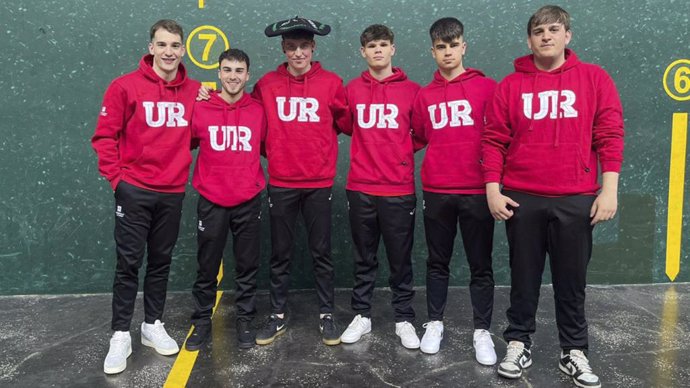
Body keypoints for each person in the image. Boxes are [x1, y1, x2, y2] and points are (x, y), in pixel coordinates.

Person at [482, 6, 624, 387]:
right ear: (529, 40)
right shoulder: (510, 86)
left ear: (567, 35)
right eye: (538, 31)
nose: (546, 36)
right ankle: (518, 343)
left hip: (576, 198)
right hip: (521, 198)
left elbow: (609, 135)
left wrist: (608, 189)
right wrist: (493, 189)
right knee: (523, 277)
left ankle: (573, 351)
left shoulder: (595, 79)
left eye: (554, 29)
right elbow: (494, 140)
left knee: (571, 280)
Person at [92, 19, 200, 374]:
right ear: (151, 47)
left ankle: (152, 324)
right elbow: (104, 137)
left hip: (171, 192)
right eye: (162, 45)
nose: (169, 52)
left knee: (161, 261)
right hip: (134, 190)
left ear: (183, 50)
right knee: (128, 264)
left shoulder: (193, 91)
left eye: (175, 46)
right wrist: (117, 180)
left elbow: (197, 133)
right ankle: (120, 333)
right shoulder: (124, 86)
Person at [252, 16, 350, 346]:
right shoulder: (265, 85)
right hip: (281, 181)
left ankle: (326, 313)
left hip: (319, 182)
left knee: (321, 251)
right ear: (283, 48)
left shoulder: (333, 83)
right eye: (291, 47)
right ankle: (277, 313)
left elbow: (347, 123)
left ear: (313, 48)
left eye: (304, 47)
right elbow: (248, 119)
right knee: (280, 252)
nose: (298, 53)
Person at [411, 17, 498, 362]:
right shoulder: (424, 95)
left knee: (481, 264)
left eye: (453, 45)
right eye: (441, 47)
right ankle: (434, 323)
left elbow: (498, 137)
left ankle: (482, 331)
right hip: (437, 190)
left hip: (478, 191)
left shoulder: (487, 88)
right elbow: (417, 136)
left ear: (464, 47)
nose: (448, 52)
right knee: (437, 262)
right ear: (433, 51)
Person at [338, 24, 421, 350]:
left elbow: (421, 132)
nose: (377, 50)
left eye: (383, 44)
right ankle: (362, 315)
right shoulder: (351, 90)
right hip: (361, 187)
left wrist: (397, 153)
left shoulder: (413, 90)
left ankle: (403, 318)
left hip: (399, 189)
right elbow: (345, 126)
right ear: (363, 52)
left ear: (392, 49)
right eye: (371, 46)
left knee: (400, 259)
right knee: (364, 257)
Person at [184, 49, 267, 351]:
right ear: (218, 73)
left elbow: (268, 146)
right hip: (211, 200)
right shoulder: (200, 108)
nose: (233, 76)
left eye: (239, 70)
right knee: (206, 268)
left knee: (247, 266)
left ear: (248, 75)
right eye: (227, 70)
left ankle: (244, 320)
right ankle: (201, 321)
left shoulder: (259, 110)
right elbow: (187, 144)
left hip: (248, 199)